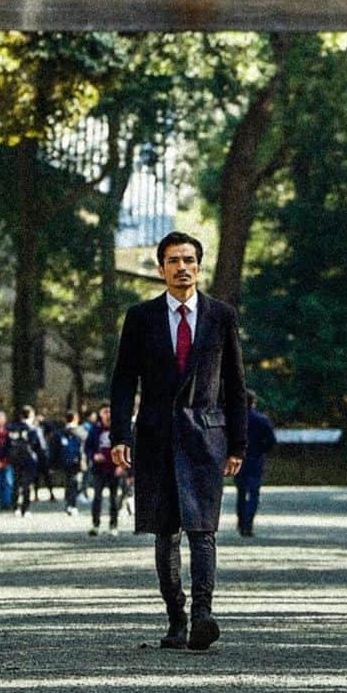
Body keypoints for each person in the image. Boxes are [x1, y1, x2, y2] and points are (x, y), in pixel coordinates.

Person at [111, 230, 247, 652]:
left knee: (203, 531)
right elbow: (122, 381)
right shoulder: (140, 317)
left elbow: (235, 385)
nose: (182, 267)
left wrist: (238, 445)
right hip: (155, 438)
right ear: (161, 268)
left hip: (205, 438)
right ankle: (176, 618)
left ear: (198, 266)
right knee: (165, 532)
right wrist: (119, 435)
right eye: (173, 261)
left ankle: (204, 614)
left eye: (189, 259)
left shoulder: (221, 316)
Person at [235, 391, 276, 537]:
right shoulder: (262, 419)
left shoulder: (235, 419)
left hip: (239, 459)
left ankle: (241, 522)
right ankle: (248, 524)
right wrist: (261, 450)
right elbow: (271, 440)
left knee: (240, 493)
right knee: (253, 493)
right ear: (254, 402)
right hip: (256, 459)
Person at [85, 403, 120, 537]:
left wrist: (122, 466)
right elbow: (88, 447)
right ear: (100, 414)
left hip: (114, 468)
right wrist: (94, 455)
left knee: (114, 498)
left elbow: (127, 447)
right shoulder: (95, 429)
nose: (108, 415)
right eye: (105, 412)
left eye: (110, 412)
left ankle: (113, 525)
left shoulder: (118, 428)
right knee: (97, 497)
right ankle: (95, 524)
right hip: (99, 468)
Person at [57, 411, 86, 515]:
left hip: (65, 461)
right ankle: (72, 504)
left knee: (68, 482)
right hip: (76, 461)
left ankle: (68, 504)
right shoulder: (79, 431)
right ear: (75, 418)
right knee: (75, 483)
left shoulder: (61, 431)